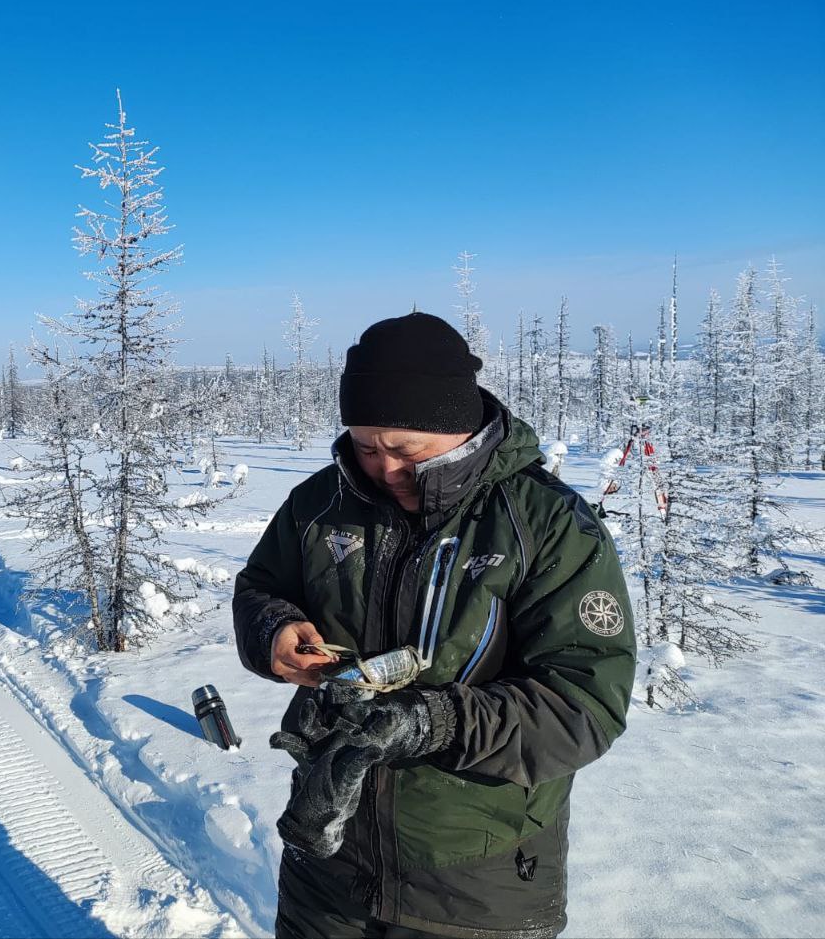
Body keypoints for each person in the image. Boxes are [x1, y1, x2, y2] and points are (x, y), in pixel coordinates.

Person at [233, 313, 635, 939]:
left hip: (477, 871)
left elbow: (583, 708)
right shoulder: (321, 504)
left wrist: (431, 723)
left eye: (405, 450)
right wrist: (274, 630)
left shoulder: (546, 524)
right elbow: (261, 586)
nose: (383, 469)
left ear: (459, 427)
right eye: (365, 446)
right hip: (329, 849)